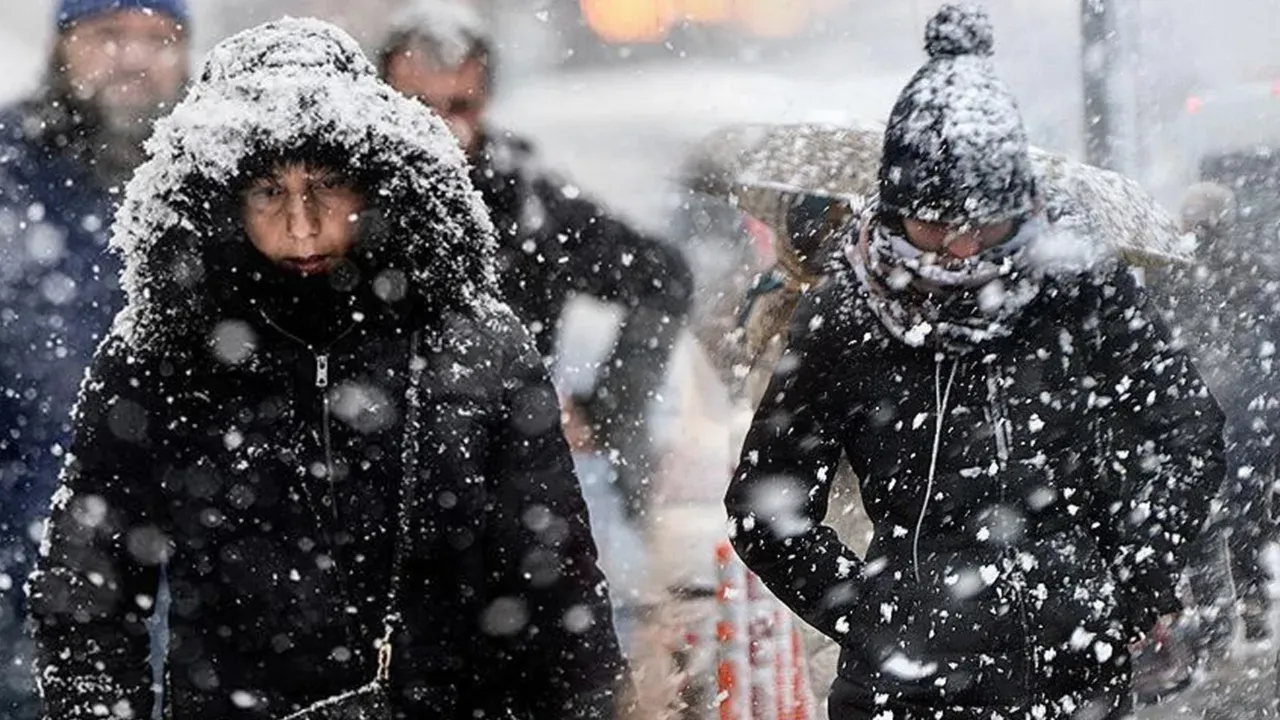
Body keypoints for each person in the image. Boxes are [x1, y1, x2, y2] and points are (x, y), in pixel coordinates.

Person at [28, 18, 625, 719]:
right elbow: (89, 601)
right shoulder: (158, 359)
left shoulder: (475, 344)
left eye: (328, 185)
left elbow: (560, 598)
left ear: (379, 182)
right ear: (219, 201)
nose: (303, 224)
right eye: (267, 192)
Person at [724, 5, 1225, 718]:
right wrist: (874, 616)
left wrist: (1133, 580)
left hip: (1075, 677)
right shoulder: (847, 314)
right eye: (933, 225)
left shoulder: (1079, 290)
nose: (958, 252)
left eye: (982, 226)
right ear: (893, 211)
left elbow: (1188, 429)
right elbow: (764, 507)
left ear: (1021, 208)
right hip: (906, 691)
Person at [378, 0, 694, 522]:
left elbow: (662, 275)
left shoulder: (528, 202)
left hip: (507, 494)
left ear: (485, 100)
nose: (438, 126)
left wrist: (609, 413)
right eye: (416, 104)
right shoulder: (340, 199)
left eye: (459, 105)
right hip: (375, 490)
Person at [0, 1, 189, 715]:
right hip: (22, 579)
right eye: (108, 36)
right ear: (62, 46)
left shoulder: (230, 185)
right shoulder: (6, 174)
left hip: (191, 586)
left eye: (157, 38)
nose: (134, 58)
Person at [1148, 180, 1279, 655]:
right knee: (1241, 518)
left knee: (1211, 521)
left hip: (1212, 414)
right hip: (1235, 416)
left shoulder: (1171, 271)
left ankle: (1223, 621)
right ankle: (1245, 605)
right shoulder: (1252, 271)